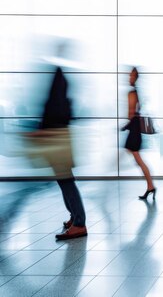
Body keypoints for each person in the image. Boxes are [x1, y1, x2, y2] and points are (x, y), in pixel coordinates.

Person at [35, 67, 87, 240]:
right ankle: (75, 217)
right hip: (59, 137)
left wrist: (42, 130)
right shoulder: (62, 85)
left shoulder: (57, 82)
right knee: (64, 179)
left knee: (66, 180)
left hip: (57, 139)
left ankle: (79, 222)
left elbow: (52, 111)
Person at [124, 67, 156, 200]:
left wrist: (127, 125)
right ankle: (150, 186)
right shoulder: (137, 92)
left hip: (134, 129)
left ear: (135, 78)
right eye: (129, 76)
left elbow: (131, 114)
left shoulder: (132, 93)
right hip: (134, 128)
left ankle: (151, 186)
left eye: (131, 76)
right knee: (136, 157)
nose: (129, 78)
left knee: (137, 158)